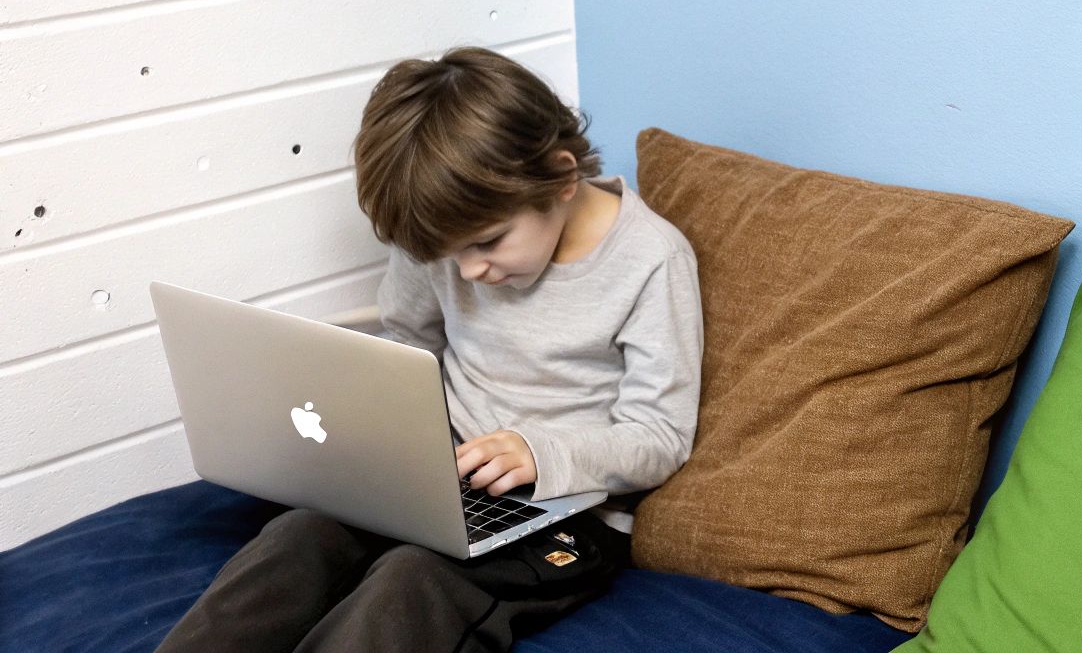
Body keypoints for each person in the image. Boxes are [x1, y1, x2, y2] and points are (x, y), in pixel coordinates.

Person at [157, 46, 705, 652]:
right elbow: (405, 349)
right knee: (300, 537)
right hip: (436, 485)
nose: (469, 272)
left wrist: (539, 453)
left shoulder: (652, 259)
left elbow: (661, 435)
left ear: (563, 176)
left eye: (489, 243)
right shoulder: (446, 235)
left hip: (568, 515)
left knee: (414, 579)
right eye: (448, 255)